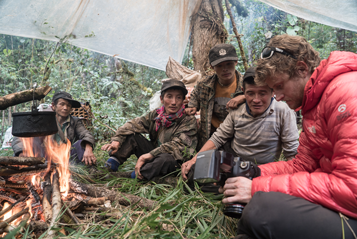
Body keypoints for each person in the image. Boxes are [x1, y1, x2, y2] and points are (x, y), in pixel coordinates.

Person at [224, 35, 357, 239]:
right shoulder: (314, 104)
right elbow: (301, 165)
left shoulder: (347, 94)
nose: (277, 97)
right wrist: (253, 173)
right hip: (338, 198)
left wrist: (256, 187)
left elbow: (352, 189)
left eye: (279, 86)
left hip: (350, 206)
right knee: (255, 213)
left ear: (302, 69)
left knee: (261, 208)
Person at [182, 67, 299, 180]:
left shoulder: (283, 111)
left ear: (272, 92)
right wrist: (194, 160)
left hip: (266, 169)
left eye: (262, 93)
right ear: (243, 92)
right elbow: (218, 138)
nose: (256, 100)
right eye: (250, 93)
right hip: (234, 163)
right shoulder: (237, 111)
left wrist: (291, 178)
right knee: (194, 173)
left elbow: (291, 152)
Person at [101, 79, 197, 181]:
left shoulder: (188, 120)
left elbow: (177, 146)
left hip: (174, 162)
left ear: (183, 100)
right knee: (132, 136)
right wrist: (117, 140)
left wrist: (147, 156)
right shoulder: (156, 115)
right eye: (169, 96)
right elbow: (133, 125)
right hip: (154, 155)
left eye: (178, 97)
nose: (174, 102)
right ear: (162, 99)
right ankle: (110, 166)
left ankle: (133, 176)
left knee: (165, 158)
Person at [185, 44, 246, 150]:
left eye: (228, 64)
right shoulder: (204, 84)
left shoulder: (246, 84)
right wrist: (192, 105)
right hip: (210, 136)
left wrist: (244, 97)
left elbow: (264, 98)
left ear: (236, 62)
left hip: (236, 138)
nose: (225, 69)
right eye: (219, 65)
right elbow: (195, 94)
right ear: (212, 67)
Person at [12, 92, 96, 165]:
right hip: (45, 156)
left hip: (67, 157)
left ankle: (89, 169)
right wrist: (21, 152)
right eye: (62, 104)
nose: (65, 108)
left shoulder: (75, 121)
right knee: (32, 140)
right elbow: (20, 136)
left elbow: (86, 134)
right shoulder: (43, 119)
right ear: (53, 106)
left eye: (68, 105)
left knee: (81, 143)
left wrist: (88, 148)